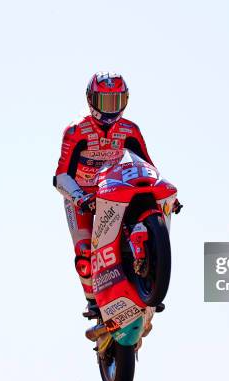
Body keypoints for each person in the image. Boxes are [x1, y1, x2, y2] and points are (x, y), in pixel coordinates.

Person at [53, 72, 157, 318]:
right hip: (82, 196)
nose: (110, 109)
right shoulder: (76, 130)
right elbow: (60, 176)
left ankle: (148, 277)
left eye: (116, 101)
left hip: (115, 189)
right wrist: (80, 197)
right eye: (104, 102)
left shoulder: (130, 129)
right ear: (91, 100)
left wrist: (162, 197)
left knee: (143, 218)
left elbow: (149, 167)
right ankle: (93, 304)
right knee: (84, 254)